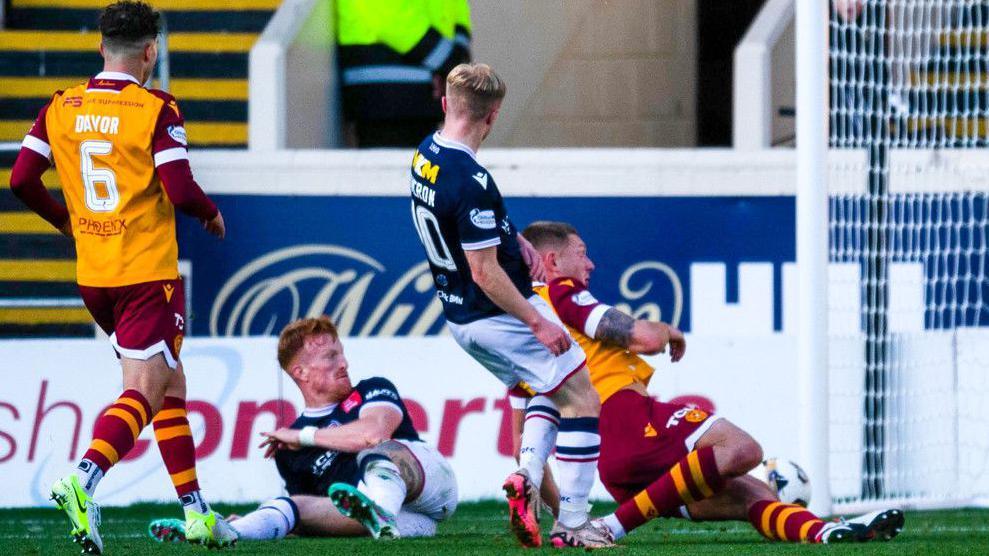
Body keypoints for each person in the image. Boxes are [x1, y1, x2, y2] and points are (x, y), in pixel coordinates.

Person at [513, 220, 906, 545]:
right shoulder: (562, 291)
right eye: (582, 253)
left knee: (750, 491)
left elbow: (523, 443)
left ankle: (826, 531)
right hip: (629, 419)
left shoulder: (523, 334)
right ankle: (610, 526)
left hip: (614, 467)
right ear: (551, 260)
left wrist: (564, 517)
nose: (591, 264)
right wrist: (670, 330)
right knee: (742, 448)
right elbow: (643, 338)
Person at [8, 1, 231, 552]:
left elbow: (20, 178)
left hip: (96, 274)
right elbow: (178, 188)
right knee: (145, 391)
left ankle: (196, 511)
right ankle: (83, 480)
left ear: (101, 47)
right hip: (145, 272)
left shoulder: (60, 107)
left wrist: (65, 220)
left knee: (170, 386)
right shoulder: (155, 107)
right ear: (151, 50)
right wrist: (208, 211)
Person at [407, 63, 612, 549]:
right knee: (583, 397)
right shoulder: (469, 177)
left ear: (445, 105)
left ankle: (526, 473)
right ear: (493, 116)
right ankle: (575, 524)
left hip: (459, 314)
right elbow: (483, 271)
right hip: (494, 311)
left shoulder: (426, 153)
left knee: (549, 386)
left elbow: (467, 229)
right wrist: (535, 320)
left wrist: (512, 237)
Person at [148, 316, 458, 543]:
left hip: (432, 486)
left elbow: (373, 434)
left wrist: (303, 436)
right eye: (331, 356)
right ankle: (225, 532)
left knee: (378, 453)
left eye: (341, 352)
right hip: (405, 522)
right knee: (294, 506)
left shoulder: (370, 390)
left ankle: (381, 512)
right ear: (301, 372)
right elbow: (313, 513)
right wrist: (256, 521)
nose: (345, 363)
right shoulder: (288, 453)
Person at [336, 0, 471, 147]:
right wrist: (449, 61)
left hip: (425, 93)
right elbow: (383, 12)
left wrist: (454, 59)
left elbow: (454, 8)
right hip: (385, 94)